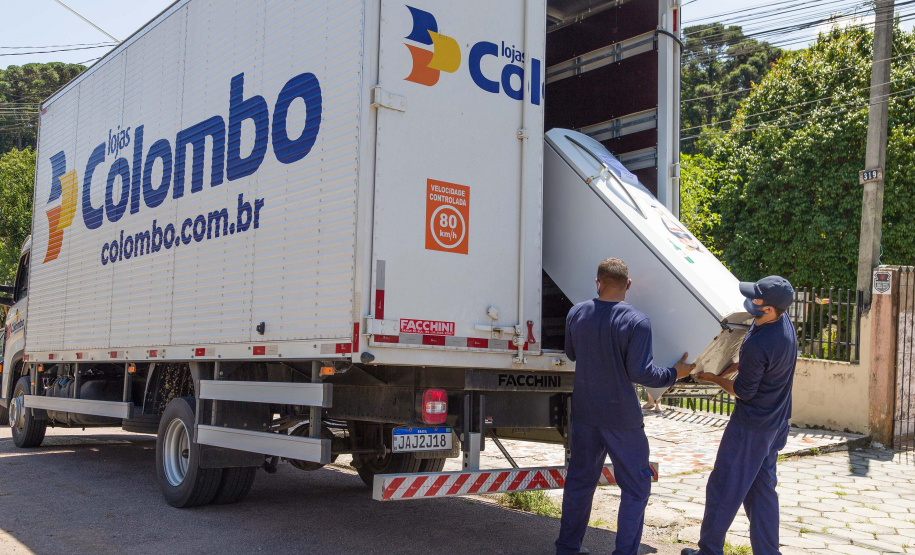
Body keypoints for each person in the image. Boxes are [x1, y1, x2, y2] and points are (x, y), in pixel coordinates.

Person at [556, 258, 694, 555]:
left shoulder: (576, 313)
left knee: (580, 483)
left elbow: (571, 353)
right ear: (628, 285)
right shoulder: (637, 321)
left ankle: (567, 549)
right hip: (621, 417)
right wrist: (675, 373)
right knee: (636, 486)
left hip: (585, 413)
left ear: (598, 282)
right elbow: (641, 373)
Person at [681, 276, 797, 555]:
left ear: (768, 308)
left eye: (755, 299)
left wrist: (714, 379)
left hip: (751, 427)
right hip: (776, 423)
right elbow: (753, 364)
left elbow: (744, 391)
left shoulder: (764, 341)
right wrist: (727, 369)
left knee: (724, 487)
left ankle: (709, 551)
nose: (749, 301)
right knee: (761, 492)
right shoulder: (782, 323)